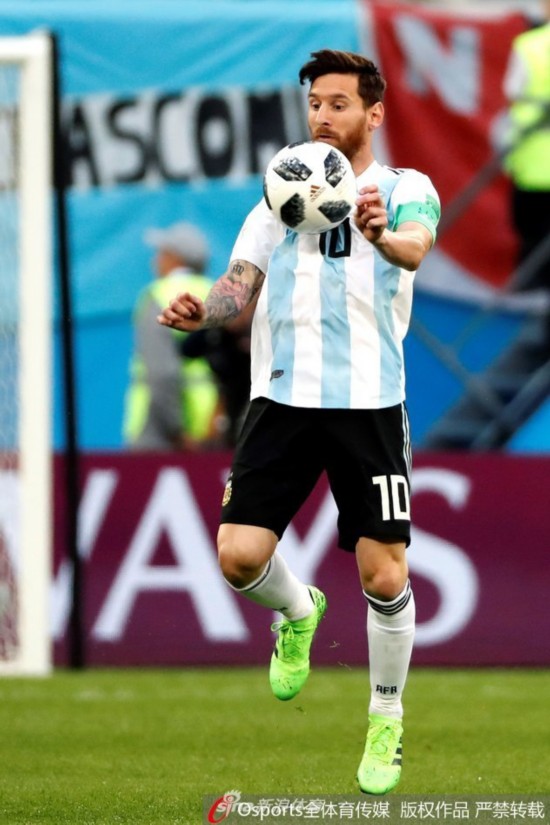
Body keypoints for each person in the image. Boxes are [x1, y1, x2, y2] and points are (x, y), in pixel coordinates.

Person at [158, 49, 440, 795]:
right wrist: (201, 312)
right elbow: (237, 284)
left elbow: (414, 248)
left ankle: (386, 719)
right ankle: (297, 609)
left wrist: (380, 237)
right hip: (280, 399)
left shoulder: (405, 188)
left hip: (369, 404)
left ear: (374, 113)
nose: (322, 116)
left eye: (338, 103)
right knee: (239, 558)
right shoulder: (277, 194)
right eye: (315, 103)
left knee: (385, 573)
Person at [123, 221, 221, 451]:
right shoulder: (218, 295)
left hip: (160, 432)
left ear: (174, 258)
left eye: (161, 253)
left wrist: (176, 430)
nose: (155, 260)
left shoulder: (158, 296)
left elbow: (161, 372)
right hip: (214, 426)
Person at [502, 1, 550, 293]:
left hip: (532, 160)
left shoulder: (529, 45)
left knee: (531, 237)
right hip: (533, 158)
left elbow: (512, 89)